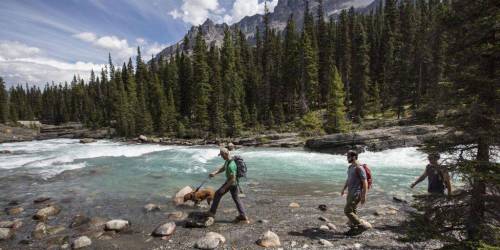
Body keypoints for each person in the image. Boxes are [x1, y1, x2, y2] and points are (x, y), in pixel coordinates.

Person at [207, 147, 249, 223]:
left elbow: (233, 179)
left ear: (226, 154)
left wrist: (224, 188)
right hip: (232, 183)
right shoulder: (228, 161)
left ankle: (212, 213)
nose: (221, 157)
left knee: (217, 194)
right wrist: (215, 173)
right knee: (236, 199)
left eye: (222, 155)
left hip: (231, 183)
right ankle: (242, 215)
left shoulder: (231, 165)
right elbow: (223, 168)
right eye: (221, 155)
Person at [340, 150, 371, 232]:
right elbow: (348, 179)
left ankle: (360, 225)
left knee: (347, 211)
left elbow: (365, 182)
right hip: (350, 192)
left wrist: (364, 196)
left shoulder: (359, 168)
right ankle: (354, 227)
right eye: (347, 157)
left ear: (354, 157)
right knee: (353, 210)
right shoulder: (350, 167)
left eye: (348, 157)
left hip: (356, 193)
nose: (347, 159)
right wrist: (343, 189)